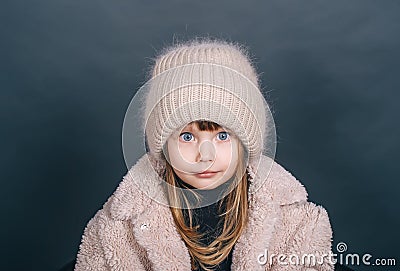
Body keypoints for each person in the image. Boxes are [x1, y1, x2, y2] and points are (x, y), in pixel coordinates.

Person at [74, 38, 334, 271]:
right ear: (163, 146)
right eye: (187, 137)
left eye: (222, 136)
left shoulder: (297, 224)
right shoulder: (117, 228)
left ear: (245, 143)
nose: (204, 156)